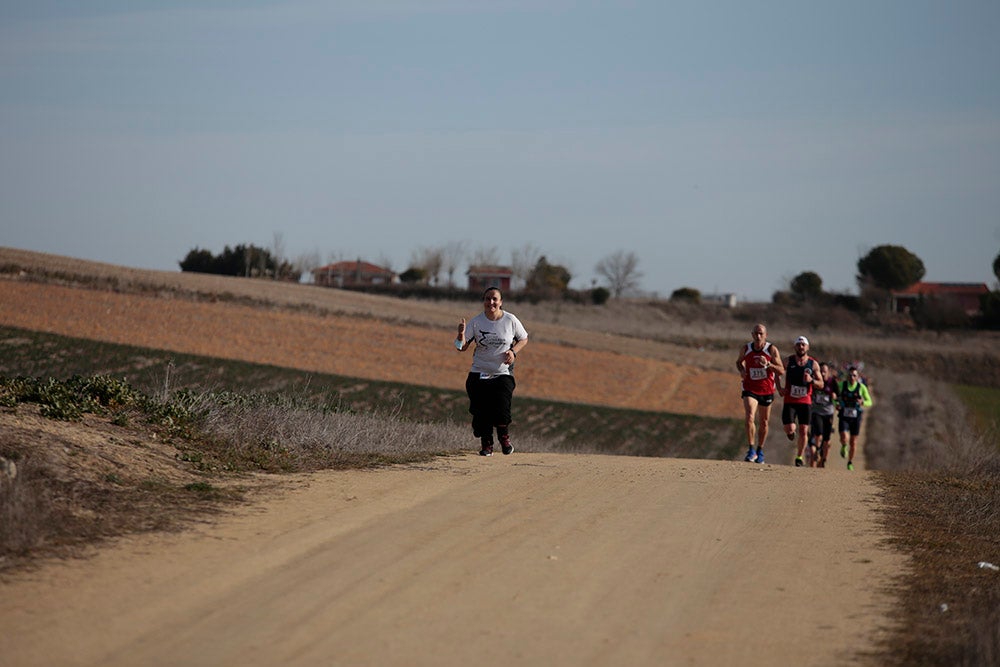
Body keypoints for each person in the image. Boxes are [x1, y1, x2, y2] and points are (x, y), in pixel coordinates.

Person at [455, 287, 528, 456]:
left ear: (501, 302)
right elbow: (462, 347)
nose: (491, 302)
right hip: (479, 372)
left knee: (502, 409)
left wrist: (513, 352)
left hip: (502, 373)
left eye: (495, 299)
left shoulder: (510, 320)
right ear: (484, 301)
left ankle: (504, 438)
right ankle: (486, 444)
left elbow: (524, 338)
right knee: (481, 411)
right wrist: (460, 335)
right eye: (488, 299)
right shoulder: (476, 322)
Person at [736, 323, 785, 464]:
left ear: (766, 335)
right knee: (750, 415)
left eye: (761, 334)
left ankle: (760, 450)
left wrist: (768, 364)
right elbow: (739, 362)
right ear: (752, 335)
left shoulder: (771, 349)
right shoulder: (746, 348)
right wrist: (742, 370)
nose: (758, 336)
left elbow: (781, 370)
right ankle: (751, 449)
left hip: (767, 389)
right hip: (750, 388)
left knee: (764, 422)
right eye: (756, 333)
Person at [776, 336, 824, 467]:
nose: (801, 347)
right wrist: (779, 387)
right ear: (795, 347)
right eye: (798, 345)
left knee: (803, 430)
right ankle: (791, 433)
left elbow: (821, 384)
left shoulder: (813, 364)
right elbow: (777, 372)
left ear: (807, 347)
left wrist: (811, 381)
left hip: (805, 401)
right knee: (790, 429)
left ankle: (799, 457)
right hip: (790, 401)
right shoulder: (788, 361)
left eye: (803, 345)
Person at [837, 366, 874, 470]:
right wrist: (836, 403)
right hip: (844, 415)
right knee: (844, 437)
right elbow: (834, 397)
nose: (852, 377)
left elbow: (869, 402)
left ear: (857, 377)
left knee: (853, 441)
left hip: (856, 417)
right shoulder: (841, 385)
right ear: (847, 376)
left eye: (854, 375)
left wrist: (862, 402)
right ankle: (844, 446)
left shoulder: (862, 387)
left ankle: (850, 462)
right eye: (850, 375)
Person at [807, 361, 838, 467]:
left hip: (828, 413)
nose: (823, 374)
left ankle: (823, 459)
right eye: (821, 372)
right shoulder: (815, 382)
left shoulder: (832, 382)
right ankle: (816, 450)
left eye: (824, 372)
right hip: (816, 411)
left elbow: (838, 395)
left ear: (828, 372)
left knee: (826, 440)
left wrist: (835, 397)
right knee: (818, 434)